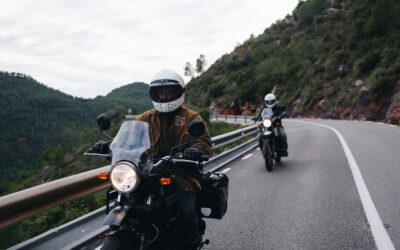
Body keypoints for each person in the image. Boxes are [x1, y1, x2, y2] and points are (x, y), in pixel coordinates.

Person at [136, 69, 212, 250]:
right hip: (149, 172)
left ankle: (192, 243)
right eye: (161, 92)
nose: (165, 96)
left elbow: (203, 140)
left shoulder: (191, 117)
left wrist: (195, 149)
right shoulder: (146, 117)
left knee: (187, 210)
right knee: (128, 199)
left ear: (179, 92)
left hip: (182, 174)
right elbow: (130, 136)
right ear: (154, 94)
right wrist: (109, 145)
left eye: (169, 91)